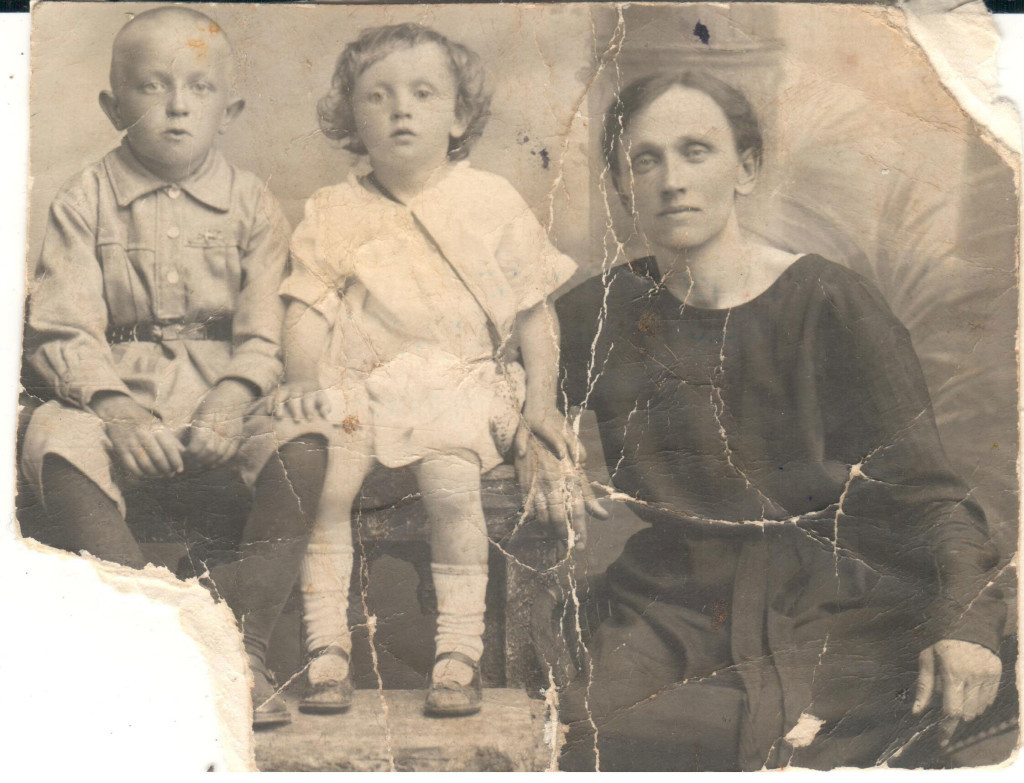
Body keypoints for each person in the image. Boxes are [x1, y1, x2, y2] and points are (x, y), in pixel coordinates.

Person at [540, 71, 1006, 769]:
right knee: (584, 732)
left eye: (696, 151)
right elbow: (495, 396)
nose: (672, 180)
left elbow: (930, 491)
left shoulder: (830, 301)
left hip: (837, 600)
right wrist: (534, 439)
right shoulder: (599, 311)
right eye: (645, 160)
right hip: (673, 603)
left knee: (820, 733)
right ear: (622, 188)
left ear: (747, 169)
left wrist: (967, 622)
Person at [19, 7, 328, 730]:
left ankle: (243, 647)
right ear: (112, 106)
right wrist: (117, 410)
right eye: (152, 86)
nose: (178, 105)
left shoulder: (253, 203)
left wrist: (231, 398)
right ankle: (159, 641)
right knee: (55, 444)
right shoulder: (83, 199)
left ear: (230, 110)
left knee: (305, 444)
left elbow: (265, 333)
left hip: (224, 393)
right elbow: (62, 327)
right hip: (113, 393)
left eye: (199, 87)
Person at [274, 23, 579, 717]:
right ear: (352, 117)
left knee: (451, 486)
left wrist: (539, 402)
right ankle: (326, 650)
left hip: (456, 384)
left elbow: (535, 312)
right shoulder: (334, 209)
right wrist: (301, 381)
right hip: (361, 384)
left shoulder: (490, 200)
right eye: (377, 96)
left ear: (459, 116)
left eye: (422, 93)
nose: (400, 109)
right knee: (327, 485)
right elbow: (307, 308)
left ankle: (458, 652)